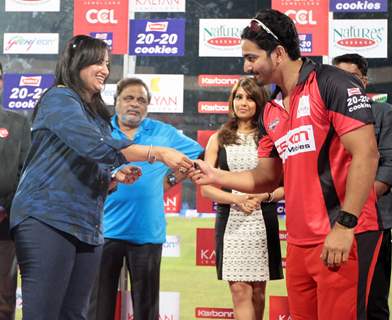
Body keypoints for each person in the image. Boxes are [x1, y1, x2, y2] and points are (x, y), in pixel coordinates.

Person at [189, 9, 382, 320]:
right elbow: (266, 177)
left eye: (251, 58)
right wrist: (216, 174)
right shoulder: (271, 109)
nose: (246, 67)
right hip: (299, 242)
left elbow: (367, 154)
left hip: (344, 234)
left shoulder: (332, 83)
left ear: (278, 53)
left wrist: (345, 225)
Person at [9, 35, 193, 320]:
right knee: (44, 313)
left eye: (107, 63)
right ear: (76, 62)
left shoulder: (95, 113)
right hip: (47, 219)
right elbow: (91, 145)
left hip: (87, 225)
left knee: (75, 314)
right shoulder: (59, 97)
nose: (105, 70)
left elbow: (90, 159)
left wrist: (113, 175)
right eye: (97, 61)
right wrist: (157, 153)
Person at [88, 77, 203, 320]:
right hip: (104, 231)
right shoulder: (101, 130)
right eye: (128, 98)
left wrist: (171, 180)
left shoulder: (164, 133)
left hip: (147, 233)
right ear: (116, 102)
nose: (134, 104)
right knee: (99, 308)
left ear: (148, 105)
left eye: (141, 100)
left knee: (147, 311)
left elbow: (197, 157)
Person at [200, 77, 283, 320]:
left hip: (262, 220)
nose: (242, 102)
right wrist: (237, 200)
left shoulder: (270, 138)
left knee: (258, 292)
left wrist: (263, 196)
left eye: (249, 97)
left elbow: (286, 186)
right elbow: (206, 188)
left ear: (259, 101)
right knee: (239, 290)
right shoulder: (218, 138)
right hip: (231, 223)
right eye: (238, 97)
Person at [333, 53, 392, 320]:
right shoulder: (326, 116)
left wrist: (358, 202)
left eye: (352, 77)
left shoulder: (383, 112)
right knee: (338, 298)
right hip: (331, 220)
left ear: (364, 82)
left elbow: (389, 164)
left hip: (374, 218)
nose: (344, 82)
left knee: (373, 299)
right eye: (338, 77)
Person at [0, 62, 31, 320]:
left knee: (4, 299)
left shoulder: (18, 123)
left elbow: (26, 173)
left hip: (4, 225)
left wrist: (5, 207)